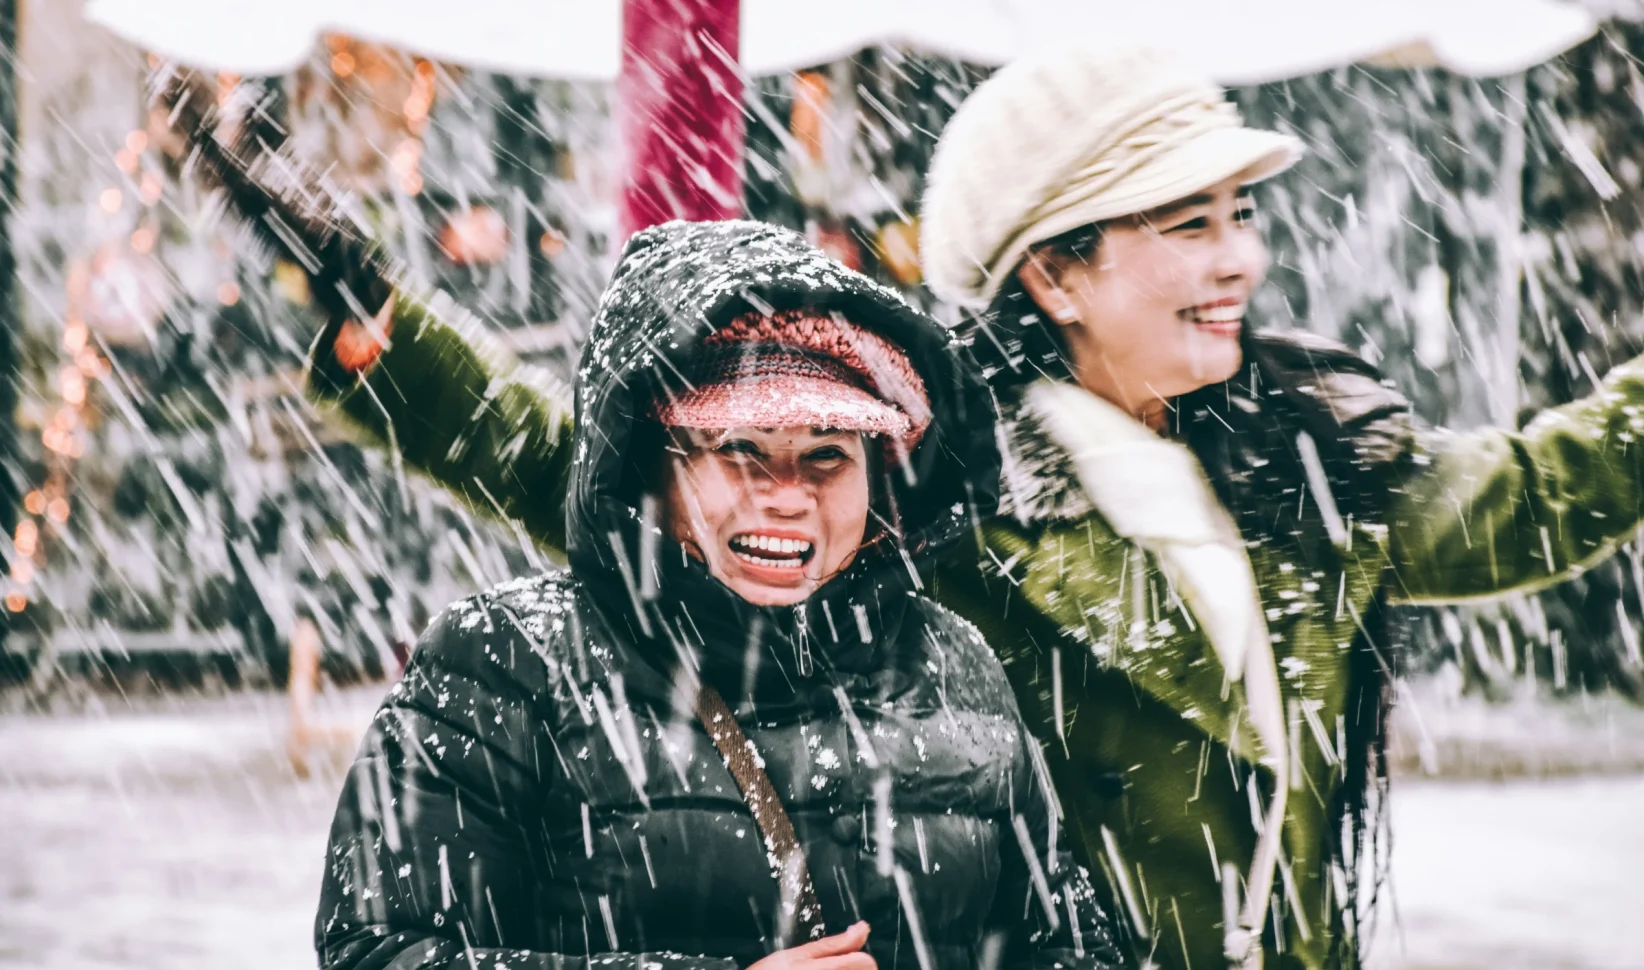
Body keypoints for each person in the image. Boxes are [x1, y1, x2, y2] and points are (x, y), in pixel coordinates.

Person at [299, 49, 1644, 970]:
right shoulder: (950, 486)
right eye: (1188, 225)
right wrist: (389, 342)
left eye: (1241, 213)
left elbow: (1531, 497)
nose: (1242, 255)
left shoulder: (1312, 462)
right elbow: (610, 475)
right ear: (1057, 273)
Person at [314, 220, 1123, 970]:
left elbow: (1075, 946)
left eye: (828, 454)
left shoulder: (954, 664)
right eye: (740, 447)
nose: (787, 493)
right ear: (650, 466)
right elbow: (381, 951)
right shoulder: (508, 663)